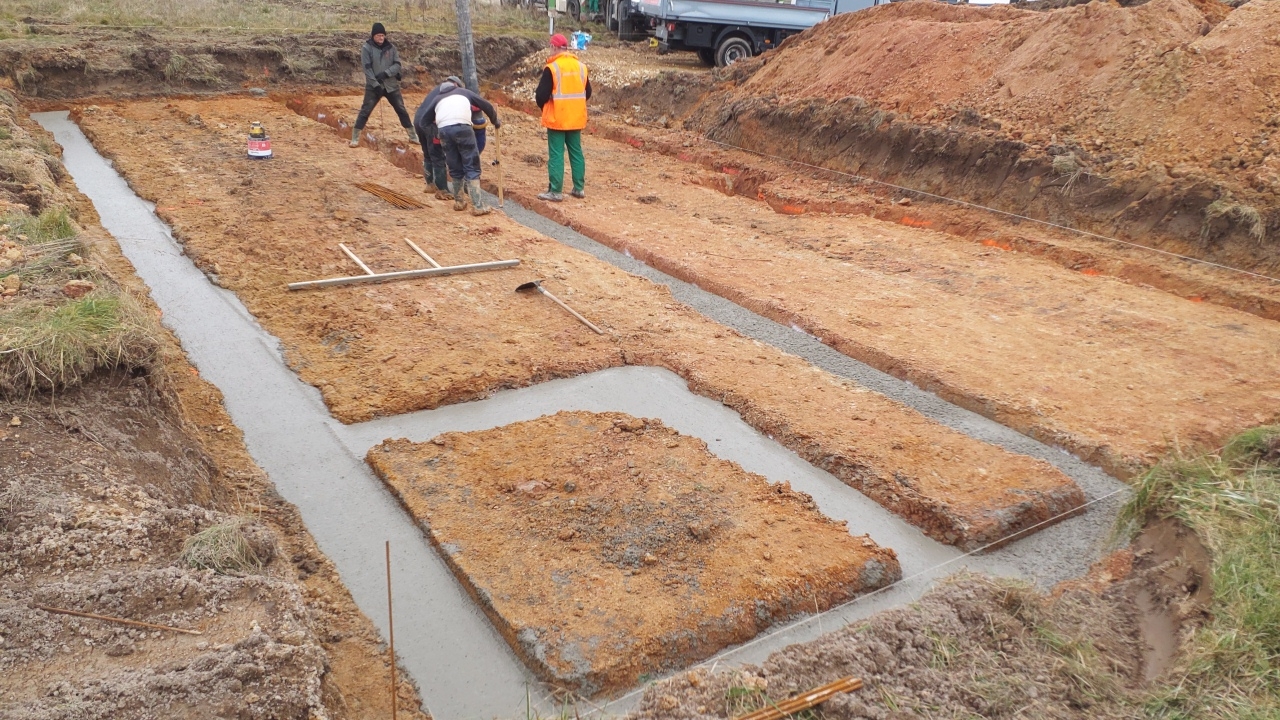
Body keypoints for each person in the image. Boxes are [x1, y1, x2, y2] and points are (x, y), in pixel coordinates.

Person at [420, 82, 502, 215]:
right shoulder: (464, 92)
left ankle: (459, 202)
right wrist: (495, 121)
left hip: (444, 130)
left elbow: (423, 121)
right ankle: (477, 206)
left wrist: (435, 133)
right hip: (463, 128)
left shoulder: (437, 99)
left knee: (453, 164)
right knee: (471, 164)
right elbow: (486, 105)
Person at [536, 34, 592, 202]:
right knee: (576, 152)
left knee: (556, 154)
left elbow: (541, 95)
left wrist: (546, 107)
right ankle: (579, 188)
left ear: (554, 47)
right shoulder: (581, 67)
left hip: (557, 119)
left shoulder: (552, 68)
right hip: (575, 118)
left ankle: (555, 191)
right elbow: (587, 92)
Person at [350, 23, 417, 148]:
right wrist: (375, 84)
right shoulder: (367, 48)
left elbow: (397, 65)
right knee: (365, 111)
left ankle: (413, 136)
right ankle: (355, 138)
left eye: (383, 35)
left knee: (401, 110)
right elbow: (367, 69)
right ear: (373, 36)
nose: (381, 38)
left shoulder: (391, 48)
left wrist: (386, 73)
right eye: (378, 35)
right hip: (373, 87)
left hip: (391, 85)